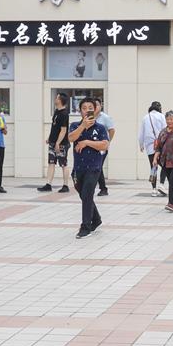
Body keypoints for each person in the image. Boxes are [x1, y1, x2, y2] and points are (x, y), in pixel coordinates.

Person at [68, 97, 109, 238]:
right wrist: (83, 127)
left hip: (94, 167)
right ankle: (96, 219)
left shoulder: (100, 128)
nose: (87, 110)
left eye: (90, 108)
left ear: (96, 110)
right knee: (84, 195)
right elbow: (71, 138)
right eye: (84, 108)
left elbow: (104, 145)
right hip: (78, 168)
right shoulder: (74, 125)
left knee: (87, 195)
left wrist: (86, 142)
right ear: (80, 111)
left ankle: (85, 227)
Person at [38, 92, 71, 193]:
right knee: (51, 163)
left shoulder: (64, 113)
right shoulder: (57, 111)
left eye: (57, 98)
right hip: (53, 142)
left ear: (60, 100)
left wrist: (58, 143)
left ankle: (65, 185)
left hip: (61, 143)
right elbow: (54, 127)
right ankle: (48, 184)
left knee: (63, 164)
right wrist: (50, 138)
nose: (55, 99)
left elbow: (63, 130)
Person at [139, 101, 167, 196]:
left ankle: (154, 189)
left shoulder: (145, 117)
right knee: (165, 165)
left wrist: (141, 144)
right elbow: (165, 130)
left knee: (153, 167)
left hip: (150, 146)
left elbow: (141, 133)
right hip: (161, 145)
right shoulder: (162, 116)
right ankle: (162, 184)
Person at [92, 98, 115, 196]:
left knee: (98, 166)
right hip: (91, 146)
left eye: (97, 105)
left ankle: (103, 188)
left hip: (101, 147)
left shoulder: (105, 117)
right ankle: (97, 187)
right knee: (95, 166)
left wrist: (108, 142)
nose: (95, 107)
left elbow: (112, 130)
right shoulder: (89, 117)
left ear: (101, 106)